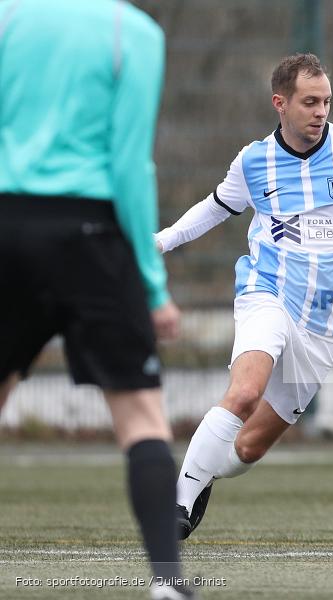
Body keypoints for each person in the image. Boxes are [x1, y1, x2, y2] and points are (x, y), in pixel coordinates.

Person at [155, 53, 333, 540]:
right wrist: (164, 240)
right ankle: (178, 505)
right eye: (310, 102)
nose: (321, 112)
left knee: (247, 451)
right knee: (245, 392)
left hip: (326, 323)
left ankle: (205, 469)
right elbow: (215, 208)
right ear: (281, 103)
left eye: (327, 102)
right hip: (267, 291)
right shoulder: (253, 161)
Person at [0, 1, 191, 598]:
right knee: (140, 415)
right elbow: (131, 166)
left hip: (6, 225)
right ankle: (166, 584)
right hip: (92, 234)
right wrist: (153, 286)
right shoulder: (131, 32)